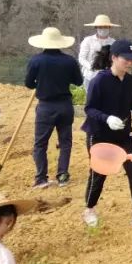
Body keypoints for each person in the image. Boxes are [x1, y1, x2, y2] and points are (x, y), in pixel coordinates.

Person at [82, 39, 132, 228]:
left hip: (124, 133)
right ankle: (89, 209)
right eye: (126, 59)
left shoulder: (131, 81)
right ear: (114, 58)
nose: (130, 63)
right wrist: (106, 118)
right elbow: (89, 109)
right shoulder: (100, 80)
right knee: (99, 172)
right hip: (99, 134)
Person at [25, 26, 84, 188]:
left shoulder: (36, 60)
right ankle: (62, 175)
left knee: (40, 144)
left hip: (45, 106)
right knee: (65, 142)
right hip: (65, 106)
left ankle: (41, 178)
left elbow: (29, 84)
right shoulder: (69, 61)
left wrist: (41, 81)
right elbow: (78, 81)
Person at [78, 14, 120, 90]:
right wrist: (91, 67)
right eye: (100, 27)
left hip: (109, 76)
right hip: (90, 76)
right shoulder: (88, 40)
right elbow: (81, 58)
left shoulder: (113, 42)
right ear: (96, 27)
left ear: (109, 27)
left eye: (105, 27)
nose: (103, 29)